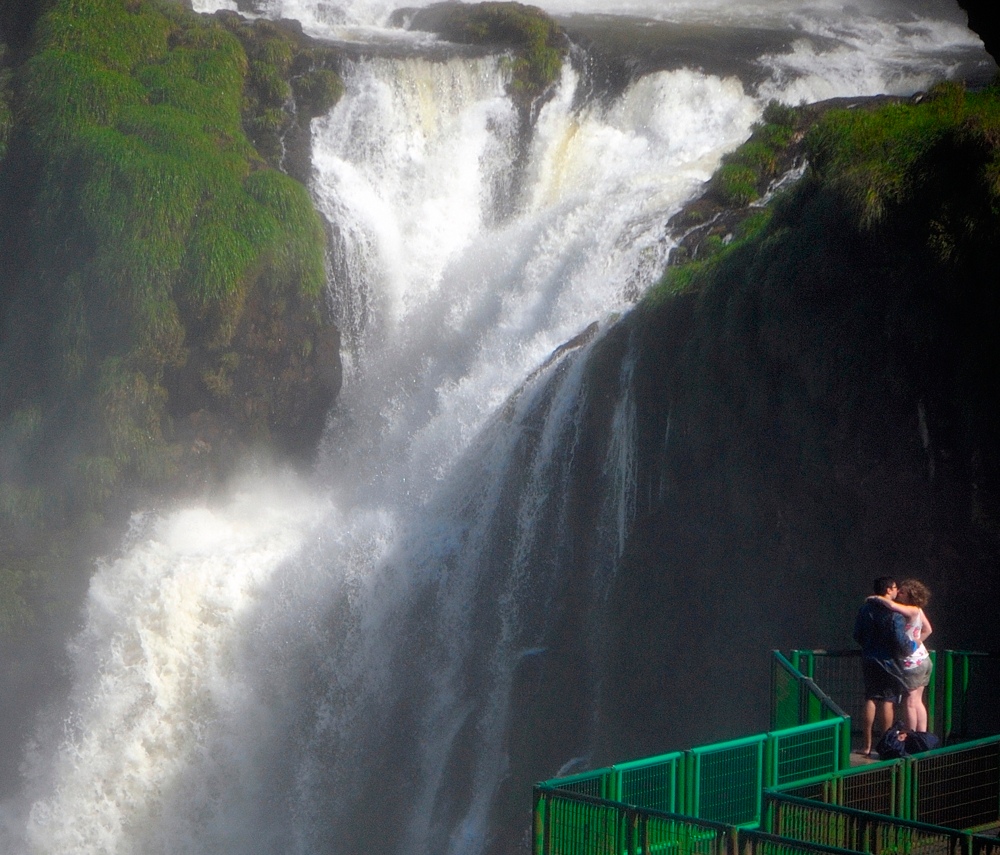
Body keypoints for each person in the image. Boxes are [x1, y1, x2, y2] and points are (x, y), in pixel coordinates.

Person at [853, 577, 917, 757]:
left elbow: (857, 634)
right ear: (889, 590)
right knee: (887, 700)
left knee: (871, 698)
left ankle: (866, 746)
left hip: (869, 658)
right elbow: (900, 641)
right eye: (895, 588)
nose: (897, 591)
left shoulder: (865, 609)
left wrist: (868, 646)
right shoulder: (894, 614)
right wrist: (913, 646)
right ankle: (886, 744)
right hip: (889, 661)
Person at [870, 579, 933, 732]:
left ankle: (911, 736)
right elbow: (928, 630)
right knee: (918, 701)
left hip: (912, 662)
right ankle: (922, 735)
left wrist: (877, 598)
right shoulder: (918, 610)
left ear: (910, 596)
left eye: (903, 592)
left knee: (910, 703)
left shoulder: (910, 609)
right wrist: (917, 642)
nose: (898, 593)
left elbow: (891, 605)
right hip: (924, 659)